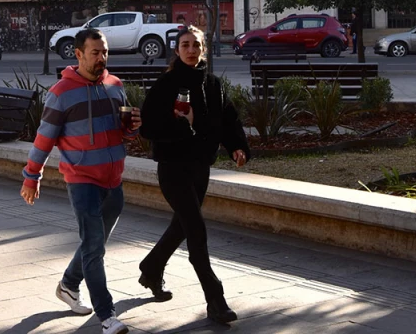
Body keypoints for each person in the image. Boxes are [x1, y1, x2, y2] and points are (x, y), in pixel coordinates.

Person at [20, 28, 140, 334]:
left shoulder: (114, 85)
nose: (101, 58)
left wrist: (132, 128)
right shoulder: (61, 93)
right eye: (95, 53)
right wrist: (32, 176)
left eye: (105, 52)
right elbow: (44, 138)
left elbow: (123, 131)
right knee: (94, 247)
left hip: (114, 179)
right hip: (82, 179)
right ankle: (107, 316)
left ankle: (68, 285)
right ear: (78, 54)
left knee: (93, 243)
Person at [138, 26, 249, 324]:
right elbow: (148, 128)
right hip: (173, 168)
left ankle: (151, 268)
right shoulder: (166, 84)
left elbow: (228, 119)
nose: (191, 50)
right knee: (196, 231)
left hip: (201, 167)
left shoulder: (213, 84)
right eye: (185, 45)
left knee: (182, 227)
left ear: (204, 49)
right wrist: (182, 126)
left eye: (196, 45)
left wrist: (237, 146)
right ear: (176, 50)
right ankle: (216, 300)